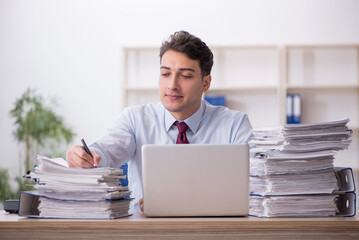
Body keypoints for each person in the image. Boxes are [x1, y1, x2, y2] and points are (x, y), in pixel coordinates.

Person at [66, 30, 253, 213]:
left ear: (205, 83)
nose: (172, 85)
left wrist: (180, 202)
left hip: (215, 230)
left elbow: (255, 183)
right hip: (145, 231)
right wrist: (86, 156)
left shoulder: (234, 125)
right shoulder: (134, 119)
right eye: (165, 74)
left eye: (185, 76)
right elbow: (106, 151)